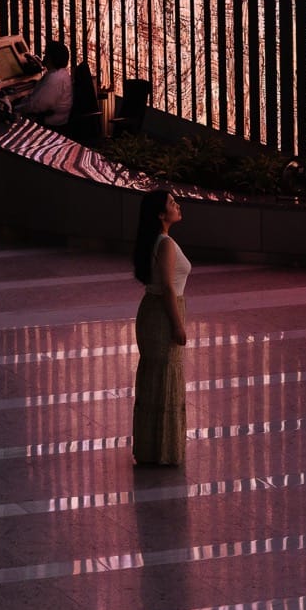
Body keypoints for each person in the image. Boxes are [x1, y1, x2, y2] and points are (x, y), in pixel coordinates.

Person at [131, 189, 190, 466]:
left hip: (152, 310)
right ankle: (164, 451)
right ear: (160, 214)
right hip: (164, 314)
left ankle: (151, 448)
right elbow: (168, 287)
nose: (177, 205)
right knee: (166, 377)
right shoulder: (165, 243)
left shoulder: (154, 241)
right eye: (171, 203)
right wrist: (178, 325)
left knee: (156, 378)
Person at [17, 40, 73, 126]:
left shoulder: (55, 78)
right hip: (55, 119)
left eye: (46, 55)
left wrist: (16, 108)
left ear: (52, 58)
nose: (44, 57)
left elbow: (37, 106)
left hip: (50, 123)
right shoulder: (61, 73)